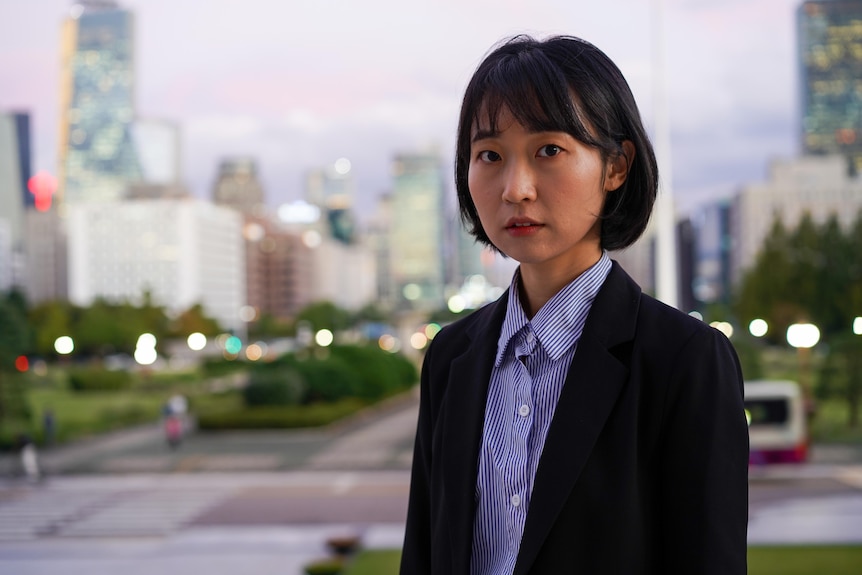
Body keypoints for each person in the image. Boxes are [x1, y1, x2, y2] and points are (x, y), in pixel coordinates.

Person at [400, 35, 749, 574]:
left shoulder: (684, 360)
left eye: (549, 150)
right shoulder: (452, 358)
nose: (515, 188)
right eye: (489, 155)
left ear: (616, 166)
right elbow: (424, 555)